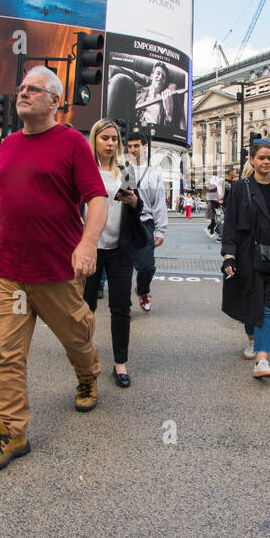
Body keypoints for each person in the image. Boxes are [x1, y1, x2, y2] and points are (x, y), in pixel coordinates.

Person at [0, 66, 108, 473]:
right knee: (6, 352)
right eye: (22, 88)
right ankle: (11, 432)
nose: (23, 93)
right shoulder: (10, 145)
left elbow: (97, 198)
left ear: (55, 101)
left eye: (34, 89)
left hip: (56, 270)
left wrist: (87, 243)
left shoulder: (71, 143)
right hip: (11, 271)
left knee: (76, 336)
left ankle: (88, 374)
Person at [221, 140, 270, 380]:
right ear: (252, 161)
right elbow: (231, 225)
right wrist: (228, 256)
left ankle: (262, 359)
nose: (266, 162)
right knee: (251, 305)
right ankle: (253, 339)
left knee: (266, 309)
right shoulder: (239, 188)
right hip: (248, 257)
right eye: (262, 158)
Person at [82, 120, 148, 388]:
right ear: (94, 140)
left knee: (121, 307)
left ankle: (120, 363)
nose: (110, 143)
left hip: (120, 248)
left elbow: (137, 202)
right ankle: (84, 359)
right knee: (85, 307)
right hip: (90, 247)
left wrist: (133, 201)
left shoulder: (125, 168)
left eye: (113, 139)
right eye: (104, 138)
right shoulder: (84, 168)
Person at [125, 134, 167, 314]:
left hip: (145, 224)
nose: (133, 149)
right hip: (124, 223)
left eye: (136, 146)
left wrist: (161, 230)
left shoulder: (154, 174)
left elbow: (159, 203)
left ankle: (143, 291)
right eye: (130, 146)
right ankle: (123, 303)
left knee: (147, 266)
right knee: (123, 266)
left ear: (145, 147)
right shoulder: (123, 172)